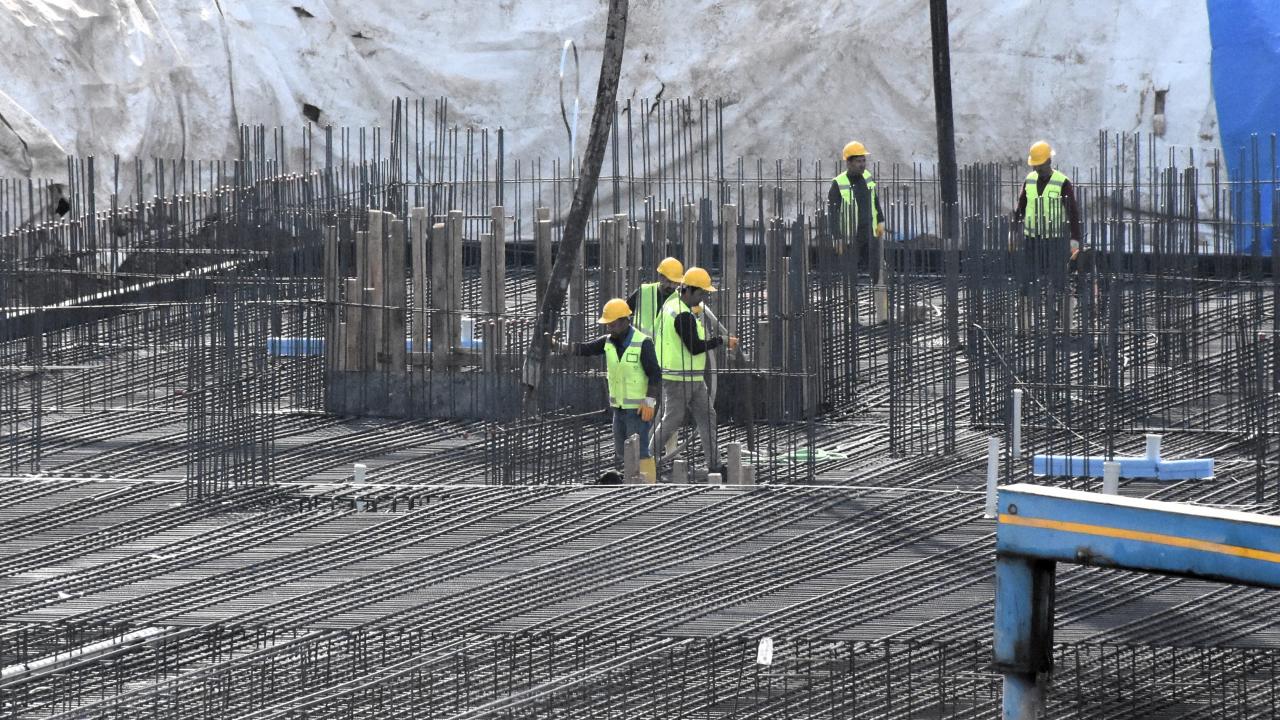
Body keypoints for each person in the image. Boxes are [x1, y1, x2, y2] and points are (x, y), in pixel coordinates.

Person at [553, 298, 661, 482]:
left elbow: (655, 374)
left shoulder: (643, 343)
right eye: (608, 324)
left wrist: (649, 401)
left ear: (625, 321)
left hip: (638, 409)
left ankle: (647, 486)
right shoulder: (608, 342)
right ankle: (632, 481)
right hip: (618, 408)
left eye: (612, 324)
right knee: (622, 449)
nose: (609, 328)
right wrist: (559, 346)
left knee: (640, 449)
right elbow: (584, 349)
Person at [652, 267, 738, 482]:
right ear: (687, 290)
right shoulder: (681, 314)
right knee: (672, 420)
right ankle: (645, 459)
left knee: (707, 417)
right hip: (678, 377)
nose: (702, 298)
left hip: (693, 377)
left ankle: (715, 465)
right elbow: (695, 347)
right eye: (700, 293)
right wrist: (721, 340)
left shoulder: (674, 306)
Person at [1012, 141, 1083, 330]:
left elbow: (1073, 213)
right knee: (1027, 283)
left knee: (1060, 282)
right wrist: (1014, 232)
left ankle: (1066, 325)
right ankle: (1024, 327)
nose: (1037, 167)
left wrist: (1075, 238)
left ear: (1049, 161)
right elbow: (1020, 208)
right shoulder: (1030, 180)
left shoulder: (1062, 182)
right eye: (1035, 164)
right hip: (1032, 241)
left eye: (1040, 164)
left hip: (1056, 241)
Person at [827, 141, 887, 282]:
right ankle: (850, 299)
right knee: (849, 272)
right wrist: (837, 237)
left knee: (878, 268)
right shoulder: (838, 183)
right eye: (858, 161)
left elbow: (875, 200)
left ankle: (880, 297)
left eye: (863, 160)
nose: (862, 164)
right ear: (848, 163)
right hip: (850, 236)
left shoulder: (867, 177)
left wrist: (880, 221)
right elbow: (832, 213)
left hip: (869, 231)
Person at [627, 257, 684, 338]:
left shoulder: (679, 300)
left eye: (676, 283)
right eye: (669, 281)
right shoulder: (643, 291)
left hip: (664, 349)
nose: (672, 286)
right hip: (640, 346)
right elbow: (624, 314)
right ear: (661, 277)